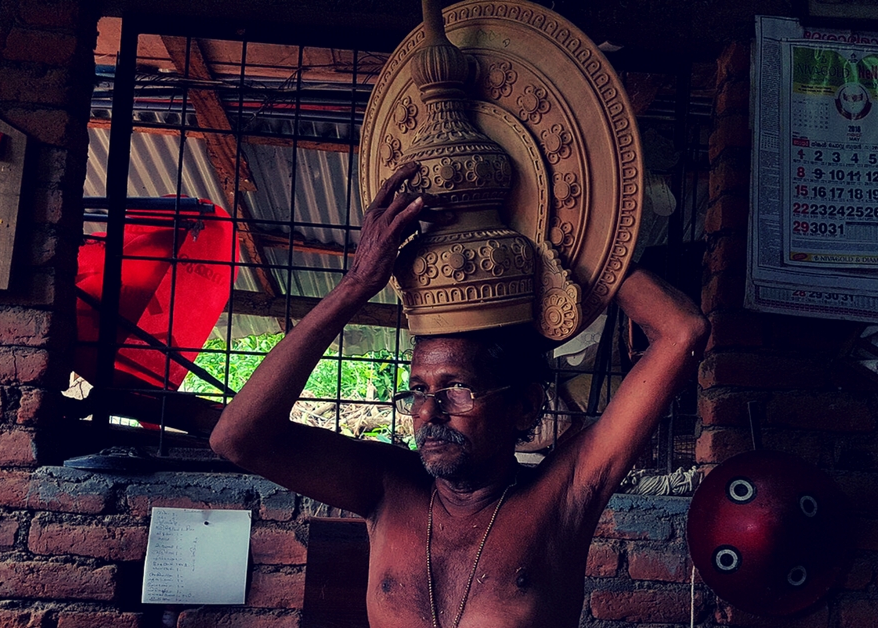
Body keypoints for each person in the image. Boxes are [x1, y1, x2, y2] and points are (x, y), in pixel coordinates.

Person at [210, 161, 709, 628]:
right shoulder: (385, 489)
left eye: (458, 388)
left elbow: (681, 332)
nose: (429, 412)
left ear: (526, 406)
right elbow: (237, 439)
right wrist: (358, 283)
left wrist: (581, 239)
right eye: (418, 390)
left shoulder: (563, 495)